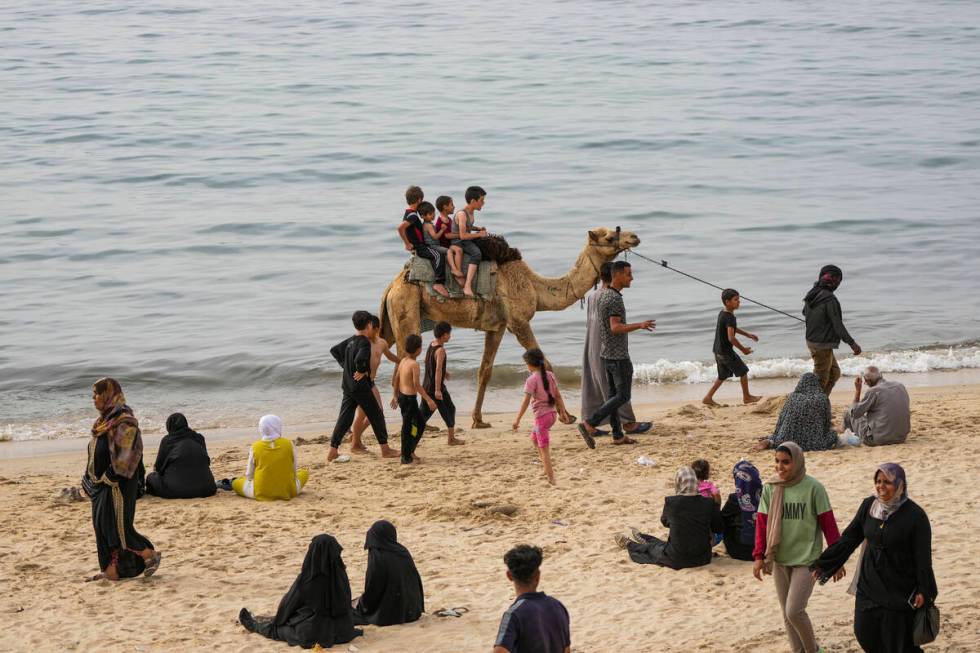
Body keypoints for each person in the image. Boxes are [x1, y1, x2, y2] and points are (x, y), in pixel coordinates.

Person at [812, 464, 937, 653]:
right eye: (878, 481)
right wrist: (825, 564)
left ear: (900, 485)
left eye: (887, 482)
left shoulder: (916, 516)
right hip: (869, 584)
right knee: (864, 634)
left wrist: (924, 589)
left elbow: (923, 558)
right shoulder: (869, 506)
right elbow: (850, 538)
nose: (881, 486)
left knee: (898, 644)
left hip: (899, 589)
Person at [752, 442, 842, 653]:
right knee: (786, 615)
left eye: (786, 462)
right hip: (780, 559)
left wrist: (836, 560)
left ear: (797, 462)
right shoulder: (770, 488)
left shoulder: (814, 488)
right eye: (776, 461)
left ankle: (813, 651)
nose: (780, 467)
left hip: (807, 560)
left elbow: (829, 526)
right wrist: (758, 556)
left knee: (794, 611)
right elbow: (762, 525)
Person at [82, 377, 161, 580]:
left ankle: (149, 554)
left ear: (108, 395)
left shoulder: (125, 421)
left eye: (97, 394)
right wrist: (89, 477)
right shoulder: (102, 422)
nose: (94, 398)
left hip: (119, 485)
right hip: (100, 486)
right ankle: (111, 571)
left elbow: (127, 456)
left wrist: (108, 477)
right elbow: (95, 452)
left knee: (119, 529)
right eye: (93, 394)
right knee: (102, 527)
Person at [577, 261, 656, 448]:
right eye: (628, 274)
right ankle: (590, 423)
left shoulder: (599, 296)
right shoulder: (613, 298)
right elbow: (615, 327)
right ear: (616, 275)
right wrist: (640, 325)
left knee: (612, 396)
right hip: (617, 355)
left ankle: (618, 435)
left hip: (604, 354)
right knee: (622, 396)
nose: (632, 278)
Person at [239, 534, 362, 649]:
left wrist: (279, 620)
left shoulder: (308, 578)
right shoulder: (341, 575)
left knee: (277, 630)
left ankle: (254, 625)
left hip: (314, 633)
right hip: (343, 631)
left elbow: (289, 604)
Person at [616, 466, 724, 569]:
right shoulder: (709, 503)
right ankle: (643, 537)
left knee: (653, 549)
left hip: (677, 558)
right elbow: (718, 527)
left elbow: (665, 522)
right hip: (703, 557)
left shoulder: (672, 502)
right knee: (661, 545)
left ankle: (629, 544)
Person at [328, 310, 399, 462]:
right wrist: (361, 370)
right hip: (360, 385)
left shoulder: (351, 340)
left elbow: (335, 351)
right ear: (368, 325)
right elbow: (361, 358)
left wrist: (347, 367)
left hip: (347, 384)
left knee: (345, 418)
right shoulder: (365, 342)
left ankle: (333, 450)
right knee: (377, 415)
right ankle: (385, 450)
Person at [512, 348, 574, 485]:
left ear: (529, 364)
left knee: (544, 448)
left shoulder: (531, 380)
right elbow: (558, 395)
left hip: (541, 418)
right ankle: (546, 470)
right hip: (551, 415)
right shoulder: (550, 375)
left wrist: (517, 419)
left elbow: (525, 401)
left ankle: (551, 477)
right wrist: (562, 412)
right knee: (534, 439)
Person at [493, 544, 571, 653]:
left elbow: (499, 651)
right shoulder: (558, 606)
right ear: (538, 575)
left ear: (509, 576)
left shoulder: (514, 614)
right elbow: (566, 650)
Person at [351, 520, 425, 627]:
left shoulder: (378, 555)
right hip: (412, 611)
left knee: (350, 609)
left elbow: (373, 589)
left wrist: (362, 605)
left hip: (390, 615)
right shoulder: (402, 551)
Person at [803, 264, 861, 395]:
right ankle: (812, 409)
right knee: (820, 381)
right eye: (837, 280)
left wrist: (820, 320)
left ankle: (822, 404)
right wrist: (852, 343)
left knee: (834, 374)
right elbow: (837, 325)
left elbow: (804, 313)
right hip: (821, 345)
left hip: (813, 341)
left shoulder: (812, 293)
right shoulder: (829, 299)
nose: (837, 283)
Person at [350, 314, 400, 453]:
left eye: (370, 328)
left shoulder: (381, 343)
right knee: (366, 414)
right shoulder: (361, 342)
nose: (367, 330)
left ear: (376, 329)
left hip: (371, 382)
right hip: (361, 383)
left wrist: (403, 361)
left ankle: (356, 439)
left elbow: (390, 356)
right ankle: (355, 443)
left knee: (374, 413)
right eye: (366, 328)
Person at [703, 288, 762, 406]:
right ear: (727, 302)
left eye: (739, 299)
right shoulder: (730, 317)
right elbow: (731, 338)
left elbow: (732, 328)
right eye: (736, 300)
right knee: (743, 371)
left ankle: (708, 398)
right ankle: (747, 397)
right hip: (726, 352)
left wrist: (748, 335)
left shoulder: (723, 313)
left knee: (723, 376)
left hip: (717, 350)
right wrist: (743, 349)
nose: (739, 302)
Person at [232, 415, 309, 500]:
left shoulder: (255, 447)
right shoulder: (289, 444)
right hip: (289, 490)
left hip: (260, 491)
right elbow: (294, 470)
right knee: (304, 473)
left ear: (261, 428)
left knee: (235, 483)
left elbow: (249, 475)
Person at [755, 373, 838, 452]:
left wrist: (775, 435)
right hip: (813, 443)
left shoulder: (792, 397)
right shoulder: (822, 398)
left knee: (780, 438)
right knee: (833, 434)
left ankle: (771, 442)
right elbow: (826, 424)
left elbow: (781, 419)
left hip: (786, 440)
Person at [145, 412, 216, 499]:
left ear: (169, 427)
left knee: (151, 477)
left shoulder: (167, 441)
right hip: (207, 489)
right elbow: (207, 462)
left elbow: (159, 468)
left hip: (176, 491)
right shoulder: (199, 438)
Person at [390, 334, 437, 464]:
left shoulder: (403, 361)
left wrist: (395, 396)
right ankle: (405, 457)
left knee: (418, 424)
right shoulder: (414, 364)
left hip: (402, 398)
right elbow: (417, 386)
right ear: (418, 349)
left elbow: (396, 379)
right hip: (409, 400)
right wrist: (429, 399)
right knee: (408, 427)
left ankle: (410, 450)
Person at [397, 186, 449, 297]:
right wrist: (407, 243)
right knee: (438, 255)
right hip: (420, 247)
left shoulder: (409, 213)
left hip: (421, 245)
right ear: (419, 200)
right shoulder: (413, 216)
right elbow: (400, 228)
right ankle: (439, 283)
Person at [842, 366, 911, 447]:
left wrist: (858, 390)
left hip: (877, 439)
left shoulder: (874, 391)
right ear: (881, 375)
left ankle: (845, 430)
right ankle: (846, 430)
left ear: (868, 380)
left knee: (849, 412)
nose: (865, 383)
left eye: (865, 381)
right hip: (901, 438)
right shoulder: (900, 386)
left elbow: (855, 413)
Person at [420, 321, 464, 446]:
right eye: (449, 334)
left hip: (426, 386)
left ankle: (411, 435)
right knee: (450, 410)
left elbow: (427, 361)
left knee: (422, 416)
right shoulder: (440, 350)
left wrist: (445, 372)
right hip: (436, 388)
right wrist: (438, 390)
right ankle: (451, 439)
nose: (450, 336)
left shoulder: (431, 344)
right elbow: (438, 368)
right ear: (444, 335)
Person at [720, 460, 762, 561]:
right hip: (763, 549)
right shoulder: (766, 497)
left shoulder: (734, 499)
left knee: (726, 519)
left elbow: (721, 522)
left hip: (738, 550)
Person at [452, 185, 488, 297]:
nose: (483, 203)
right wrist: (478, 235)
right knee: (477, 253)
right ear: (473, 201)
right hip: (459, 241)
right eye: (481, 200)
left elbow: (468, 227)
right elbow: (462, 235)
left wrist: (477, 229)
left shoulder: (471, 213)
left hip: (466, 240)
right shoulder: (462, 214)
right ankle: (467, 285)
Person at [435, 195, 463, 284]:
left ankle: (457, 271)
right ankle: (456, 272)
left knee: (460, 249)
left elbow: (453, 232)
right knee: (458, 250)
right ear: (445, 207)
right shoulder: (440, 221)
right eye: (452, 204)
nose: (454, 206)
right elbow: (447, 235)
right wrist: (460, 235)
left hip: (450, 244)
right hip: (445, 245)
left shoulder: (449, 219)